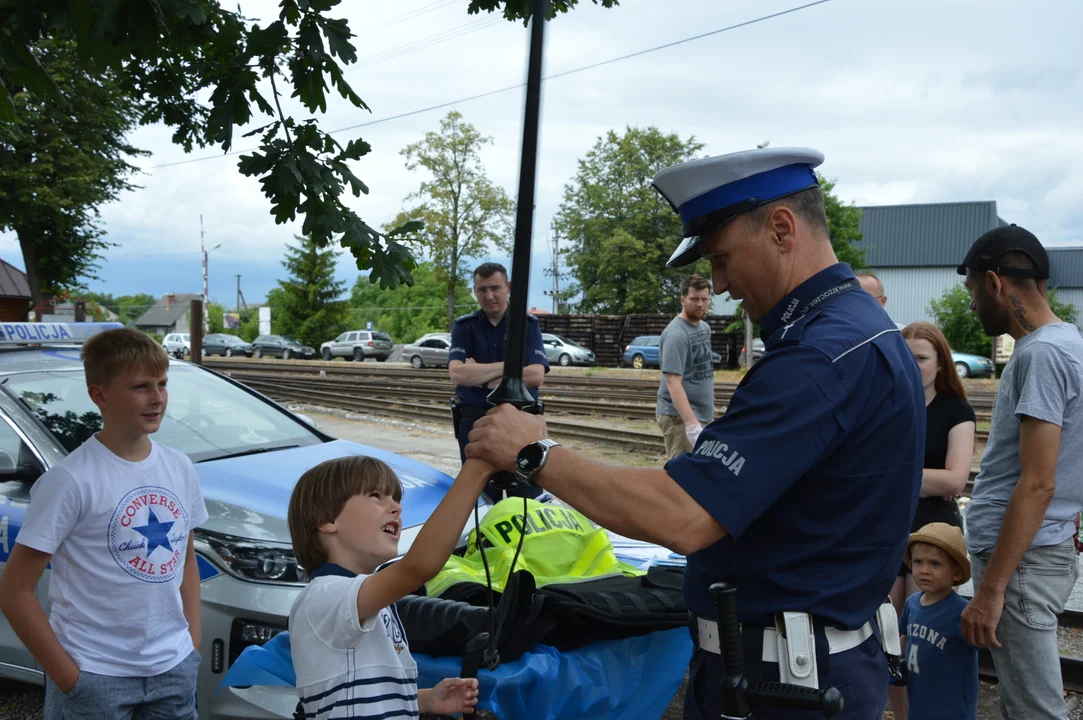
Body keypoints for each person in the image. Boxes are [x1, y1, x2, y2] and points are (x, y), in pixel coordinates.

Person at [466, 146, 925, 720]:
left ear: (781, 228)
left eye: (723, 258)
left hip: (784, 686)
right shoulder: (862, 329)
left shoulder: (819, 356)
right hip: (805, 665)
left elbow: (682, 515)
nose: (721, 283)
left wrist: (533, 452)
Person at [0, 328, 206, 719]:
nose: (157, 398)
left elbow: (187, 561)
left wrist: (191, 646)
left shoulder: (179, 467)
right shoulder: (70, 480)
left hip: (173, 670)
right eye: (140, 387)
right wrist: (69, 677)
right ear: (99, 395)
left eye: (162, 384)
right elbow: (15, 589)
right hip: (95, 677)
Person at [957, 224, 1083, 720]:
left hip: (1022, 565)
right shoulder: (1068, 342)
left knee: (1034, 710)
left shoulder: (1042, 355)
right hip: (1032, 554)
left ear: (994, 283)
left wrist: (991, 591)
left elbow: (1038, 481)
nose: (971, 306)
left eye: (971, 291)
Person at [286, 455, 487, 718]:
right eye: (376, 495)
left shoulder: (370, 603)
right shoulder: (326, 596)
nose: (396, 507)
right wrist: (477, 469)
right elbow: (419, 566)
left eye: (396, 498)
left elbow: (359, 694)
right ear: (327, 519)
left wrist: (424, 700)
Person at [449, 261, 549, 503]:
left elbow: (536, 376)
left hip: (521, 423)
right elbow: (457, 375)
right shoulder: (464, 327)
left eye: (495, 288)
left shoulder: (527, 326)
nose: (489, 296)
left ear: (508, 287)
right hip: (475, 423)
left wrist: (479, 375)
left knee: (527, 500)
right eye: (482, 290)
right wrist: (512, 369)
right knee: (480, 501)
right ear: (475, 291)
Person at [891, 322, 976, 608]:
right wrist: (928, 482)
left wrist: (891, 478)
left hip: (934, 531)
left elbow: (955, 481)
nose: (913, 365)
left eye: (922, 358)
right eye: (907, 357)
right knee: (887, 630)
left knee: (921, 625)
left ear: (941, 363)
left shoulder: (957, 411)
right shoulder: (884, 407)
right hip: (886, 526)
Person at [897, 523, 978, 720]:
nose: (924, 570)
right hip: (918, 701)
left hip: (951, 708)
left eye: (935, 564)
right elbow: (903, 639)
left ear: (956, 573)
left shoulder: (963, 612)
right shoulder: (912, 604)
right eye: (918, 562)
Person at [657, 274, 715, 459]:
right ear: (683, 300)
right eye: (694, 299)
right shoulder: (676, 335)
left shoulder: (704, 327)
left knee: (697, 475)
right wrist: (691, 424)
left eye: (704, 299)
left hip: (701, 415)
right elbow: (673, 382)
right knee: (681, 477)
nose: (700, 304)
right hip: (680, 418)